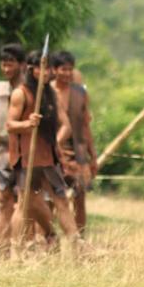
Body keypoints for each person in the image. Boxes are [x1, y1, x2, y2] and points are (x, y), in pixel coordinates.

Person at [7, 52, 79, 248]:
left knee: (62, 201)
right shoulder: (20, 93)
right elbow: (10, 125)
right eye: (42, 67)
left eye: (48, 68)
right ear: (32, 69)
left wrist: (53, 142)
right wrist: (27, 124)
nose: (46, 72)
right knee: (24, 204)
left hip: (49, 158)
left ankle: (77, 246)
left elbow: (66, 126)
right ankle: (16, 251)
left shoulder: (51, 94)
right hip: (27, 158)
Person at [50, 51, 96, 234]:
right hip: (52, 151)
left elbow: (85, 126)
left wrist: (93, 157)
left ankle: (80, 239)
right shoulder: (46, 92)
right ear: (54, 70)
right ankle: (47, 238)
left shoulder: (80, 93)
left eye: (70, 69)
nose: (67, 73)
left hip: (78, 152)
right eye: (63, 69)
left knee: (80, 196)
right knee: (49, 197)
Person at [0, 43, 26, 249]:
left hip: (25, 150)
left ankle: (21, 245)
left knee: (26, 200)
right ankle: (3, 246)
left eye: (11, 64)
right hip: (3, 151)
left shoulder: (30, 90)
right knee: (3, 200)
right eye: (4, 64)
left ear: (21, 65)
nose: (6, 69)